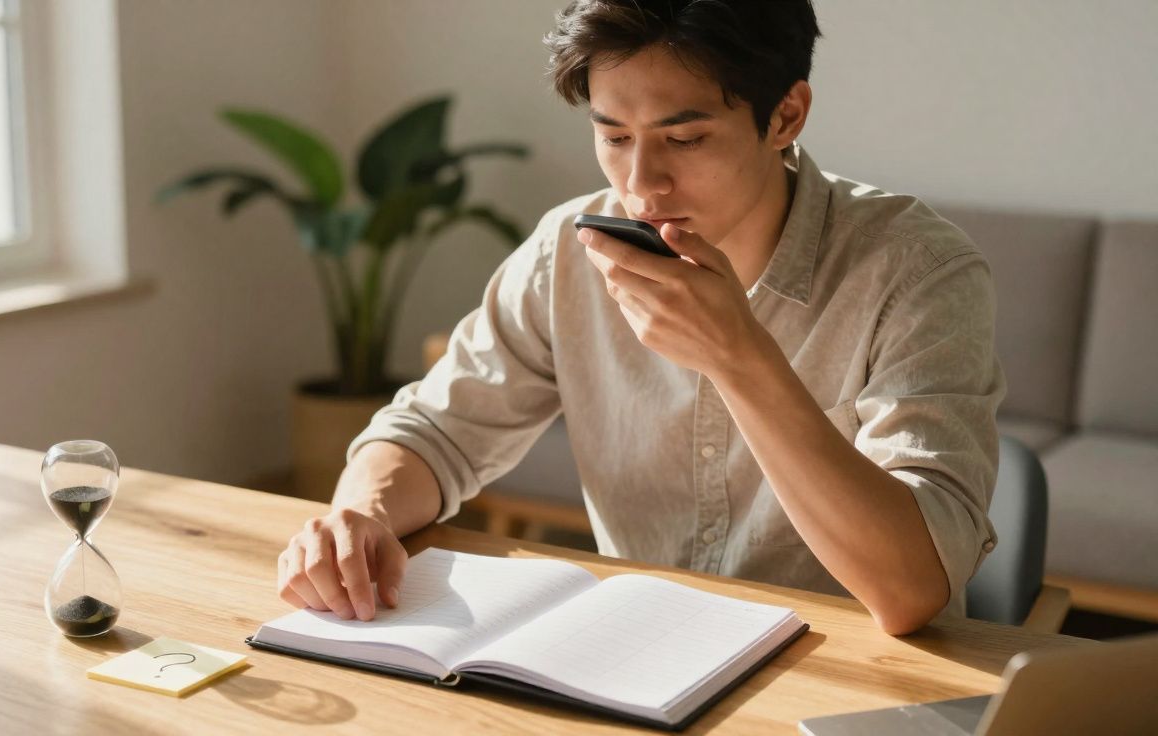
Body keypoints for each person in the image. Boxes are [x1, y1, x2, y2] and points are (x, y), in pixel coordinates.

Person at [276, 0, 1004, 635]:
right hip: (638, 654)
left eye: (684, 139)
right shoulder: (572, 246)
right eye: (615, 136)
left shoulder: (917, 271)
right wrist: (361, 517)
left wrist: (739, 356)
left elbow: (912, 591)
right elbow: (433, 430)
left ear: (785, 116)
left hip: (843, 673)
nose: (639, 185)